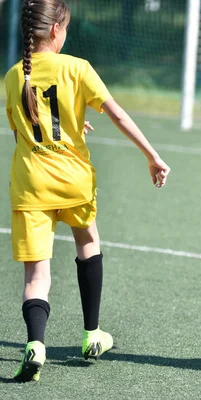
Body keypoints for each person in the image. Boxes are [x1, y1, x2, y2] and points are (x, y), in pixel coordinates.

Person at [5, 0, 171, 382]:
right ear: (55, 31)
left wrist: (60, 125)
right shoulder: (77, 68)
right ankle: (92, 334)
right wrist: (152, 156)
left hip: (30, 185)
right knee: (88, 243)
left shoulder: (14, 75)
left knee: (36, 276)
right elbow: (117, 113)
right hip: (74, 181)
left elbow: (22, 130)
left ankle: (35, 345)